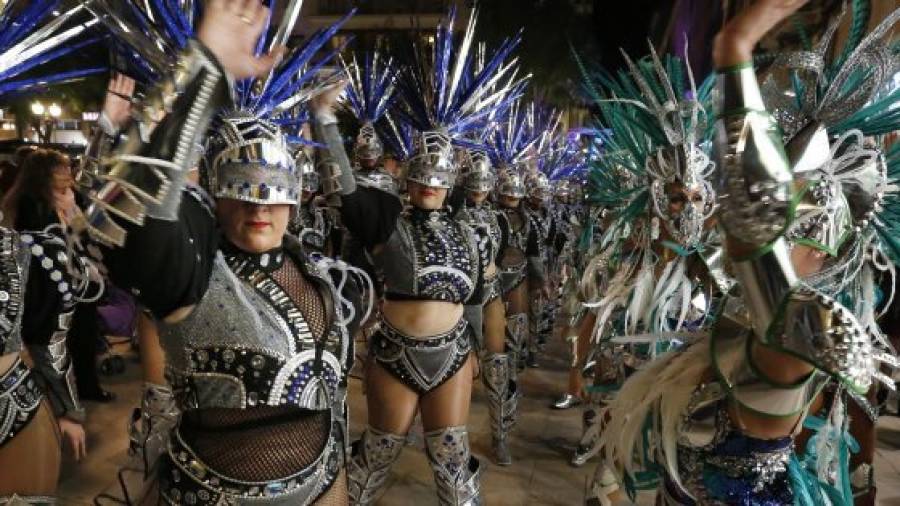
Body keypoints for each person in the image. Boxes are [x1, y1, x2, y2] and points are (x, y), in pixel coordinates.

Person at [594, 1, 900, 504]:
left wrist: (736, 48)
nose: (774, 236)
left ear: (826, 255)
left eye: (793, 230)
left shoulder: (812, 327)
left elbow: (752, 227)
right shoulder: (743, 314)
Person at [80, 1, 364, 503]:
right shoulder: (194, 269)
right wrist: (205, 71)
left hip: (324, 480)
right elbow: (131, 217)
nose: (259, 209)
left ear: (295, 196)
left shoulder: (323, 273)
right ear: (213, 191)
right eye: (240, 190)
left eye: (273, 191)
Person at [315, 9, 526, 504]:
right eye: (421, 176)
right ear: (407, 178)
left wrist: (475, 351)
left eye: (439, 177)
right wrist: (324, 118)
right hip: (394, 351)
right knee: (377, 455)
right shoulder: (386, 215)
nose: (430, 185)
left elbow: (476, 298)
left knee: (454, 466)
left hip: (453, 352)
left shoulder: (469, 231)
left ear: (451, 179)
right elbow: (344, 190)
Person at [454, 148, 516, 465]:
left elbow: (500, 251)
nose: (479, 189)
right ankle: (447, 435)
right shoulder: (451, 213)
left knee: (497, 363)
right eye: (473, 182)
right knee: (455, 370)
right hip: (459, 296)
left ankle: (499, 436)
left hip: (490, 290)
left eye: (484, 183)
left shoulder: (496, 217)